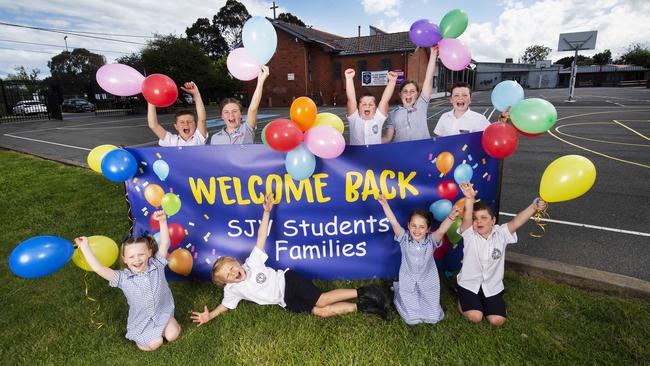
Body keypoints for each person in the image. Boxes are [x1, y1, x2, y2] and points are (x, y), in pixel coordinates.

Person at [190, 193, 391, 325]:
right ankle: (368, 307)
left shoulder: (252, 262)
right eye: (228, 276)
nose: (233, 273)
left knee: (322, 300)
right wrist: (210, 316)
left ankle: (366, 291)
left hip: (289, 282)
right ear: (227, 283)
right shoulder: (232, 290)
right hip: (285, 300)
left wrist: (266, 212)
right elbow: (225, 305)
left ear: (236, 262)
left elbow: (261, 237)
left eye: (231, 267)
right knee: (321, 312)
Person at [75, 210, 180, 351]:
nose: (136, 259)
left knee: (173, 335)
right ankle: (147, 336)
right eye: (131, 257)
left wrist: (162, 221)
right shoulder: (123, 278)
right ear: (125, 259)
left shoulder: (157, 265)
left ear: (149, 253)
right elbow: (98, 268)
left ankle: (165, 328)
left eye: (141, 254)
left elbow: (165, 243)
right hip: (142, 320)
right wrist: (85, 247)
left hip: (162, 313)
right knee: (155, 344)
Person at [455, 182, 547, 327]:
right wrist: (469, 199)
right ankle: (461, 298)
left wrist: (533, 207)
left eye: (484, 218)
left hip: (492, 286)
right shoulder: (469, 234)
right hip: (469, 284)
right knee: (475, 316)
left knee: (497, 320)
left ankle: (486, 303)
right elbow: (466, 219)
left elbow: (517, 221)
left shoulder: (501, 233)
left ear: (493, 221)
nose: (479, 221)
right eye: (476, 218)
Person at [376, 194, 458, 325]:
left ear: (428, 229)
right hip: (408, 279)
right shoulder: (404, 238)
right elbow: (394, 222)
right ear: (408, 226)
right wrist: (385, 204)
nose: (417, 230)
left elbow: (442, 229)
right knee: (412, 319)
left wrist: (451, 217)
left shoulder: (431, 240)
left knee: (433, 318)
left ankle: (422, 302)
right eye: (413, 226)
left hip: (428, 279)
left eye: (422, 227)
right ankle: (398, 291)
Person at [384, 46, 438, 142]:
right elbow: (387, 138)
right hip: (402, 152)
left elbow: (428, 80)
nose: (408, 94)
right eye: (405, 91)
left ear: (417, 94)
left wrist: (433, 55)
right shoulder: (392, 114)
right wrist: (369, 141)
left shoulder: (421, 105)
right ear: (400, 95)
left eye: (412, 91)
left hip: (422, 151)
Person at [210, 66, 270, 145]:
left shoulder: (246, 129)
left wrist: (260, 82)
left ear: (241, 114)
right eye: (226, 112)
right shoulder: (215, 138)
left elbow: (253, 109)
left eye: (234, 111)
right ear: (221, 116)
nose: (231, 115)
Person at [344, 68, 398, 145]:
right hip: (357, 155)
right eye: (364, 104)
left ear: (376, 108)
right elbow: (351, 99)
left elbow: (384, 100)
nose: (367, 106)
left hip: (374, 154)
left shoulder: (378, 118)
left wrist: (392, 81)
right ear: (358, 107)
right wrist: (349, 78)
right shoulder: (354, 119)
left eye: (371, 104)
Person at [147, 81, 208, 146]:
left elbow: (202, 119)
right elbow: (153, 126)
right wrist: (151, 100)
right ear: (176, 126)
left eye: (189, 121)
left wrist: (196, 94)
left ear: (195, 125)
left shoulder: (199, 138)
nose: (186, 124)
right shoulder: (171, 141)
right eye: (182, 122)